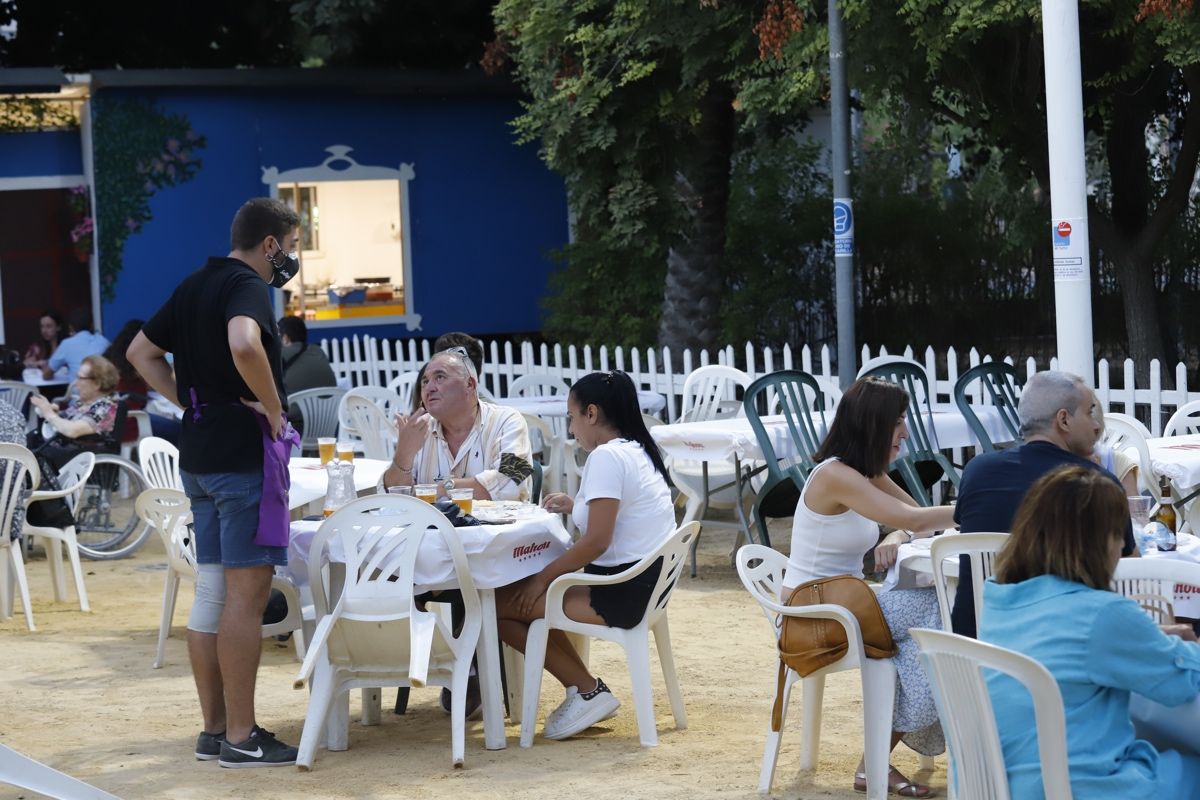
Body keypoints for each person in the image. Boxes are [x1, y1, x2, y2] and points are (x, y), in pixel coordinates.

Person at [127, 196, 300, 769]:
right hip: (240, 455)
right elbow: (246, 343)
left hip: (198, 453)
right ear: (270, 244)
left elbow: (140, 352)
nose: (290, 262)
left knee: (211, 595)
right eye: (291, 249)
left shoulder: (194, 283)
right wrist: (272, 410)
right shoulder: (248, 285)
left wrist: (192, 403)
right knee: (245, 602)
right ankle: (243, 737)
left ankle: (215, 730)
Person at [980, 466, 1200, 799]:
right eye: (1120, 534)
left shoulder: (999, 596)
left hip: (1001, 782)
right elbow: (1181, 685)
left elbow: (1073, 645)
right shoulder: (1103, 614)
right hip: (1078, 785)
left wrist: (1147, 637)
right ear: (1100, 541)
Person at [781, 376, 953, 798]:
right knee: (936, 622)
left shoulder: (861, 472)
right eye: (898, 421)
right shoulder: (836, 476)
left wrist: (894, 536)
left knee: (937, 616)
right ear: (874, 423)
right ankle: (872, 761)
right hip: (816, 615)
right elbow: (917, 521)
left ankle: (876, 757)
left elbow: (912, 518)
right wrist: (981, 504)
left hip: (844, 602)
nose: (906, 432)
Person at [495, 370, 675, 740]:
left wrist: (543, 579)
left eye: (572, 417)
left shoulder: (606, 457)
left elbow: (596, 542)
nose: (572, 428)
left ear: (591, 414)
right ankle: (584, 688)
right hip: (646, 585)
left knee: (498, 606)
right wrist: (576, 504)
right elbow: (626, 515)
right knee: (520, 601)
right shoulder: (638, 449)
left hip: (620, 592)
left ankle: (587, 690)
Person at [952, 370, 1137, 638]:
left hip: (978, 647)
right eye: (1090, 412)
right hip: (1058, 654)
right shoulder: (1095, 485)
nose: (1097, 426)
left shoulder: (976, 471)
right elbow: (1131, 571)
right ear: (1064, 419)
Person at [381, 347, 532, 500]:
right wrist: (403, 455)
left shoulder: (508, 420)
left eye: (440, 377)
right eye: (425, 381)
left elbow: (514, 482)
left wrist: (446, 487)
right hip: (434, 524)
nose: (429, 388)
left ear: (470, 385)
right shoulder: (420, 429)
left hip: (501, 523)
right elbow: (392, 497)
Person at [28, 354, 120, 470]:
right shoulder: (87, 403)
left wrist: (49, 414)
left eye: (80, 378)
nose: (76, 383)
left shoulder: (104, 407)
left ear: (97, 384)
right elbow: (65, 422)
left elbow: (72, 430)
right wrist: (53, 412)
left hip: (77, 455)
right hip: (66, 450)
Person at [104, 319, 181, 445]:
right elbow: (161, 382)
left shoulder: (112, 362)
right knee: (180, 430)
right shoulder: (137, 365)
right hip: (133, 420)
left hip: (117, 419)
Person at [44, 308, 109, 382]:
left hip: (79, 392)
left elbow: (46, 375)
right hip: (103, 391)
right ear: (92, 325)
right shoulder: (104, 341)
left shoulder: (67, 344)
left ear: (71, 327)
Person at [278, 315, 336, 396]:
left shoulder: (281, 354)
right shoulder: (318, 351)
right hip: (329, 406)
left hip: (296, 407)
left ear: (285, 338)